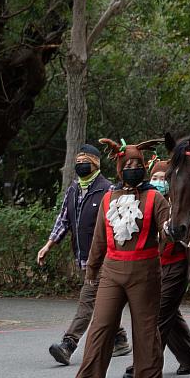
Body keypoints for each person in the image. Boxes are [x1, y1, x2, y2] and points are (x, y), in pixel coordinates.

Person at [67, 138, 168, 378]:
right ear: (120, 168)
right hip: (111, 270)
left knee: (145, 328)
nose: (133, 167)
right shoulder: (108, 198)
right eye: (128, 164)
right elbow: (99, 239)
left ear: (144, 167)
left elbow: (169, 232)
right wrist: (91, 271)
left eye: (137, 163)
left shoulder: (155, 198)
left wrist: (176, 226)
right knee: (101, 326)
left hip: (145, 270)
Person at [38, 144, 130, 365]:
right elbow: (63, 220)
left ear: (95, 163)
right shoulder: (73, 189)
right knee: (100, 301)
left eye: (84, 161)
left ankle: (68, 344)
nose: (80, 165)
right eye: (77, 162)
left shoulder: (107, 189)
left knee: (87, 300)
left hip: (103, 259)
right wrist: (48, 245)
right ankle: (120, 339)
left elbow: (118, 226)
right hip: (83, 257)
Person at [121, 158, 190, 378]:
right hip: (153, 268)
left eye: (162, 179)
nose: (158, 182)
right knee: (170, 316)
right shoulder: (145, 200)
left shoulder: (178, 205)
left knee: (158, 316)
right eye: (154, 178)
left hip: (176, 266)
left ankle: (144, 365)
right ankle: (189, 358)